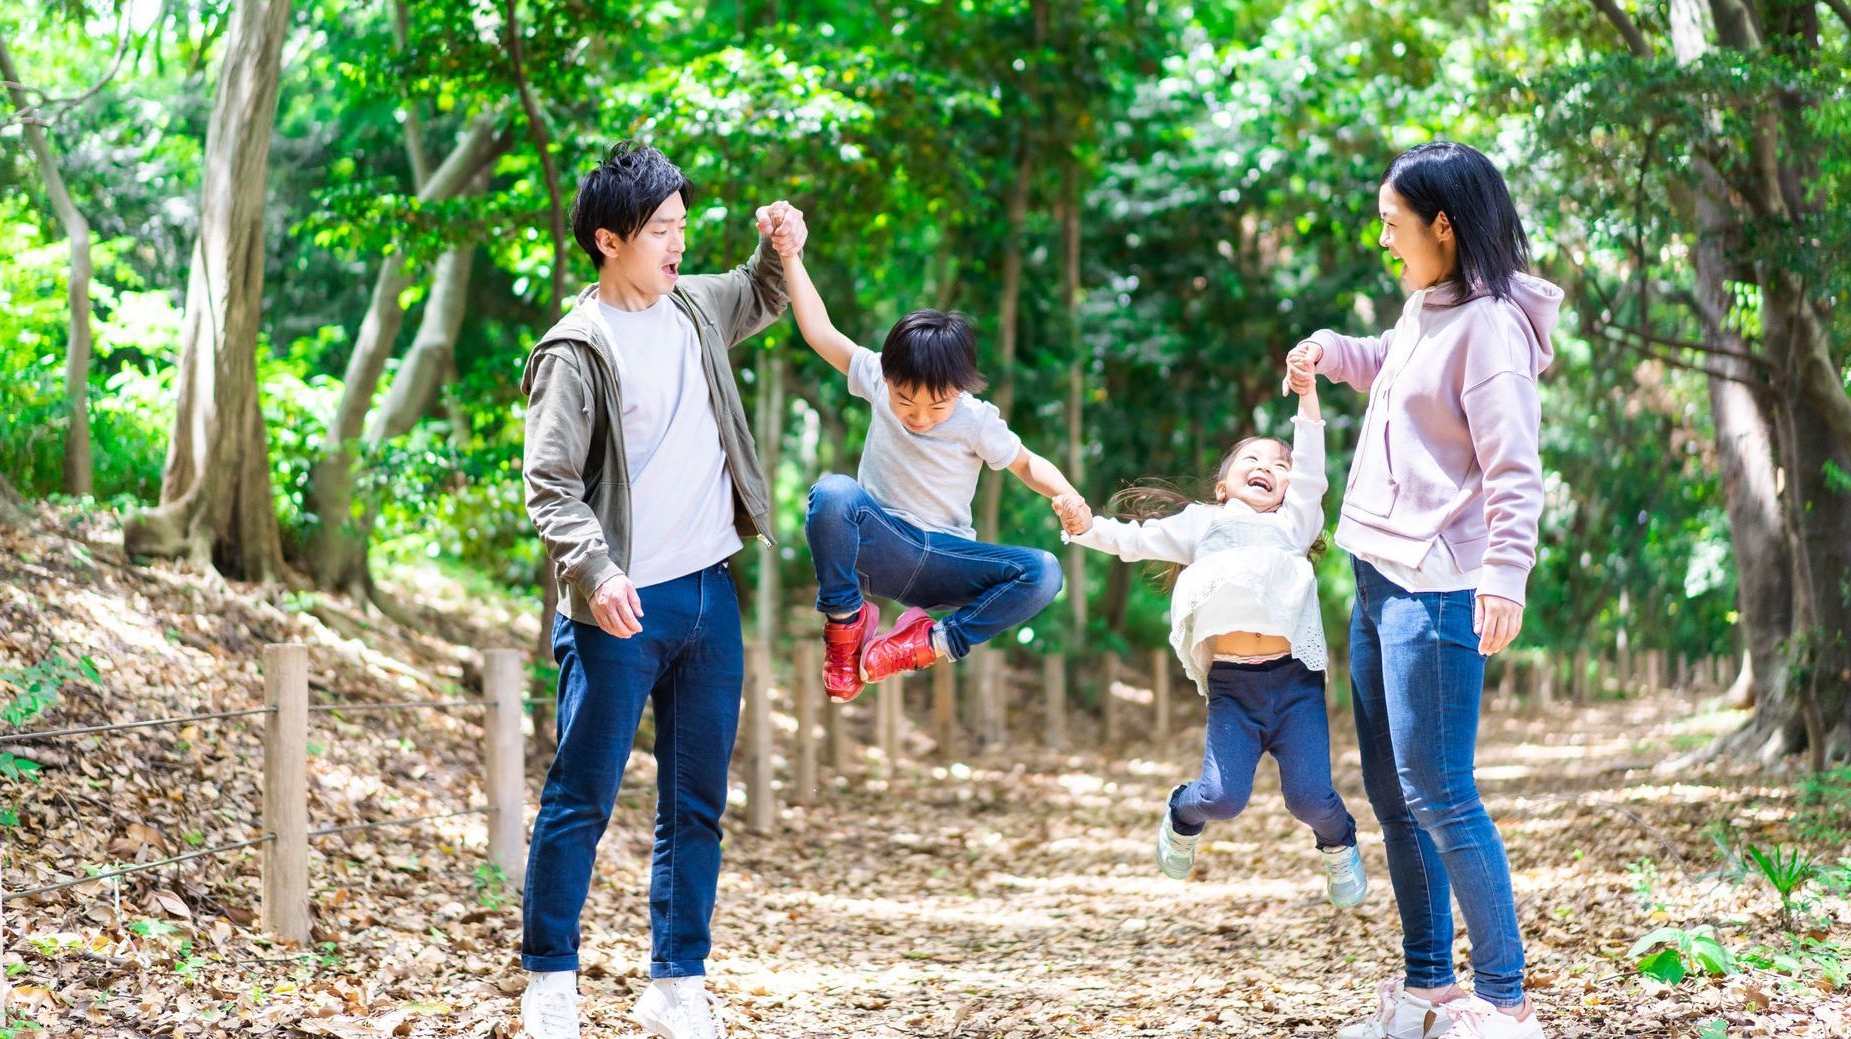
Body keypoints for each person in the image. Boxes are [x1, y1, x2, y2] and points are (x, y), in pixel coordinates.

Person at [517, 139, 806, 1039]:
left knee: (696, 803)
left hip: (709, 596)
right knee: (582, 794)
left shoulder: (693, 306)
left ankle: (678, 980)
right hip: (620, 605)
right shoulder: (576, 347)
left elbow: (761, 291)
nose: (679, 245)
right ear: (610, 239)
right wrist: (595, 572)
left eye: (683, 227)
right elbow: (549, 484)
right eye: (662, 231)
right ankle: (550, 979)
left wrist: (780, 246)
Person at [1287, 141, 1562, 1039]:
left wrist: (1506, 575)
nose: (1383, 239)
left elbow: (1515, 470)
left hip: (1438, 584)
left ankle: (1507, 1002)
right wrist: (1336, 352)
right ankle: (1429, 988)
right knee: (1394, 791)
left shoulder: (1491, 329)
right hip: (1376, 575)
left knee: (1441, 791)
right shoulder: (1426, 306)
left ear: (1444, 225)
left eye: (1393, 224)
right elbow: (1397, 374)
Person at [1053, 369, 1367, 908]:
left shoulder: (1294, 523)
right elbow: (1134, 540)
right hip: (1234, 687)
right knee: (1222, 798)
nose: (1268, 468)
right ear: (1223, 485)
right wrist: (1084, 527)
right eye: (1253, 460)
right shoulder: (1202, 523)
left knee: (1311, 797)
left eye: (1279, 465)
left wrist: (1309, 394)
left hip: (1294, 685)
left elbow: (1313, 470)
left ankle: (1339, 846)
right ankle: (1182, 813)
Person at [770, 224, 1074, 700]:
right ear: (887, 377)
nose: (920, 417)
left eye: (938, 406)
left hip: (945, 561)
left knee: (1044, 572)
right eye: (905, 400)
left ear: (961, 390)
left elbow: (1026, 464)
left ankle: (931, 641)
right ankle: (846, 623)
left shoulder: (976, 420)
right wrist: (790, 255)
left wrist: (1066, 495)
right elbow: (818, 331)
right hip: (881, 547)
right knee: (832, 493)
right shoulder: (873, 374)